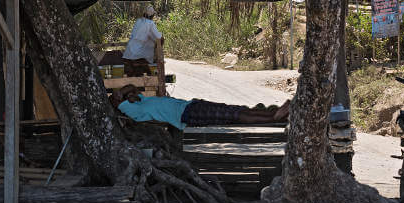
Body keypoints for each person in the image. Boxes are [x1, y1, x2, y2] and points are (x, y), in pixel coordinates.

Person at [111, 84, 289, 129]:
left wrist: (126, 93)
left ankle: (274, 113)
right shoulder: (129, 109)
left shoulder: (140, 101)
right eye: (117, 97)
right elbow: (123, 93)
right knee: (232, 115)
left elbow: (131, 88)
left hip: (190, 105)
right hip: (187, 115)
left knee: (233, 109)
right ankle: (274, 117)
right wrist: (119, 96)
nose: (120, 94)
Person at [122, 5, 163, 75]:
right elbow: (158, 36)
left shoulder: (138, 21)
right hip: (139, 55)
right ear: (152, 15)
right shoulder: (150, 23)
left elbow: (143, 34)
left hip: (129, 52)